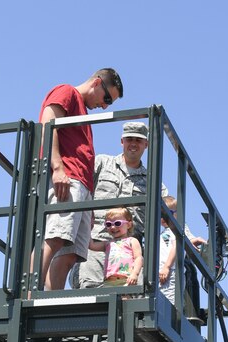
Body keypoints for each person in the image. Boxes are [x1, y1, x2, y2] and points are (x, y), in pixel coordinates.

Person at [37, 68, 123, 291]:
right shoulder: (66, 92)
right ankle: (29, 290)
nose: (104, 106)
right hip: (67, 178)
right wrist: (57, 167)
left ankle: (52, 298)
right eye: (106, 99)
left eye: (109, 104)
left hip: (83, 188)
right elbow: (48, 122)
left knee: (71, 253)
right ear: (96, 83)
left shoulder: (83, 113)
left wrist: (91, 205)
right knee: (56, 235)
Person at [68, 121, 167, 289]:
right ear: (122, 141)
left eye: (138, 140)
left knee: (131, 298)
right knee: (87, 290)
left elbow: (170, 212)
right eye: (129, 139)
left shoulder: (153, 182)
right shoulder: (101, 163)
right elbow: (79, 187)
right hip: (96, 243)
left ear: (146, 144)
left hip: (128, 252)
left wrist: (185, 236)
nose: (133, 144)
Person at [159, 196, 206, 307]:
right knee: (161, 302)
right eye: (160, 214)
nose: (163, 218)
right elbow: (187, 241)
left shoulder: (179, 227)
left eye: (167, 213)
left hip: (171, 272)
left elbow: (178, 244)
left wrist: (167, 266)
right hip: (161, 273)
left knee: (170, 303)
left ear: (177, 213)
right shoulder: (164, 232)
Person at [87, 208, 143, 286]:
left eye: (117, 223)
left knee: (125, 298)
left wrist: (135, 274)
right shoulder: (108, 244)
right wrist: (88, 228)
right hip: (109, 280)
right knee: (108, 297)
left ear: (128, 224)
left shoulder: (132, 241)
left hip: (126, 278)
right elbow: (91, 245)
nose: (113, 227)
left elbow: (138, 258)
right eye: (109, 224)